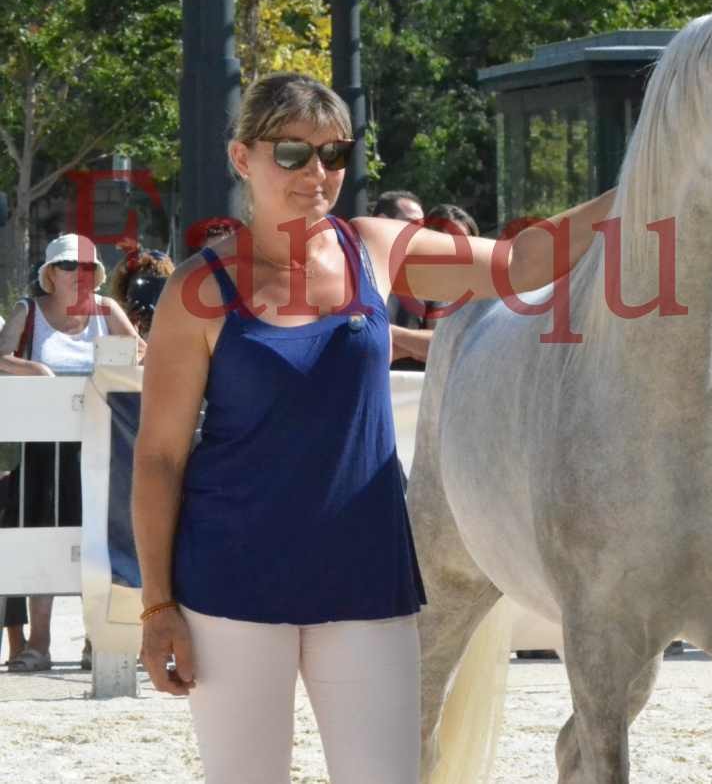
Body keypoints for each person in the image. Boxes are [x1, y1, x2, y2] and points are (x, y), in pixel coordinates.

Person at [131, 72, 612, 783]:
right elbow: (159, 457)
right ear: (243, 158)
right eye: (292, 153)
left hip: (366, 576)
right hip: (231, 582)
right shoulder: (197, 290)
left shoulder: (375, 247)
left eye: (333, 153)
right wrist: (157, 606)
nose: (316, 173)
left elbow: (524, 263)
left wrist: (643, 186)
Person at [0, 233, 144, 673]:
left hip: (103, 445)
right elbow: (1, 356)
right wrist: (38, 371)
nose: (78, 276)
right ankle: (38, 643)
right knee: (40, 538)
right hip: (44, 449)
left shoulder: (106, 310)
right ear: (50, 273)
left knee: (100, 542)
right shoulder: (28, 310)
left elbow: (142, 351)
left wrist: (111, 368)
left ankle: (95, 640)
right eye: (68, 267)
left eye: (86, 268)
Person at [371, 191, 430, 370]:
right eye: (412, 223)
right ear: (383, 221)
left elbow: (442, 343)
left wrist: (385, 333)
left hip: (419, 394)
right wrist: (413, 344)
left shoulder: (433, 277)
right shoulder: (349, 271)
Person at [109, 247, 175, 338]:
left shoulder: (182, 326)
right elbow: (109, 351)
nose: (150, 298)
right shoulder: (112, 325)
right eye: (141, 287)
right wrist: (126, 327)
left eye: (158, 288)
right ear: (127, 291)